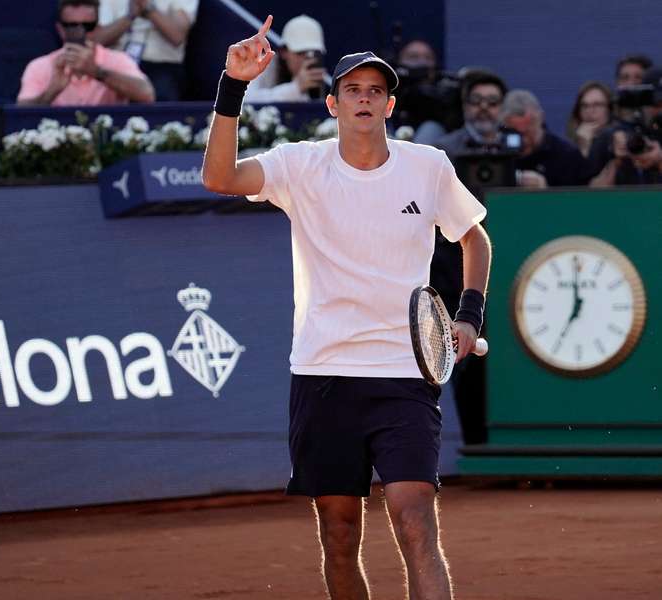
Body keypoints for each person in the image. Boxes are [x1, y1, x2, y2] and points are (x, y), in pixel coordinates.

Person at [202, 15, 491, 600]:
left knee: (416, 523)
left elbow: (474, 237)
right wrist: (233, 86)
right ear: (333, 105)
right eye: (353, 91)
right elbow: (219, 176)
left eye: (376, 91)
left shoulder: (428, 166)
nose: (365, 99)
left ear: (389, 105)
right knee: (338, 534)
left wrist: (468, 314)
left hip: (404, 375)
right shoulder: (297, 165)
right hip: (323, 373)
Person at [17, 0, 155, 107]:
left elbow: (147, 95)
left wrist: (96, 71)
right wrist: (52, 91)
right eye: (71, 26)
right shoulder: (40, 65)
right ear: (60, 29)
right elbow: (19, 115)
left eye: (87, 26)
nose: (80, 32)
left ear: (98, 27)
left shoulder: (117, 60)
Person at [92, 0, 197, 101]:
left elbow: (177, 36)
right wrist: (129, 17)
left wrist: (149, 10)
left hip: (160, 64)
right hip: (117, 62)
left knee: (161, 93)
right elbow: (96, 40)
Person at [500, 89, 593, 188]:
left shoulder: (568, 156)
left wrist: (547, 192)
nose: (524, 141)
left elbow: (578, 201)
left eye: (527, 132)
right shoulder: (497, 157)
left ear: (541, 118)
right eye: (516, 134)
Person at [244, 14, 327, 103]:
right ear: (284, 52)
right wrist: (296, 88)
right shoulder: (259, 64)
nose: (306, 59)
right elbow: (245, 99)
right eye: (300, 53)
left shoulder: (314, 77)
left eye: (312, 53)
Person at [433, 69, 508, 160]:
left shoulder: (515, 145)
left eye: (492, 101)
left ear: (503, 107)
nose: (483, 106)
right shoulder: (443, 150)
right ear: (464, 105)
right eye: (476, 100)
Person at [566, 81, 613, 157]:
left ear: (610, 110)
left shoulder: (621, 147)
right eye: (584, 106)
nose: (589, 111)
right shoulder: (566, 150)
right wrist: (583, 147)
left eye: (597, 105)